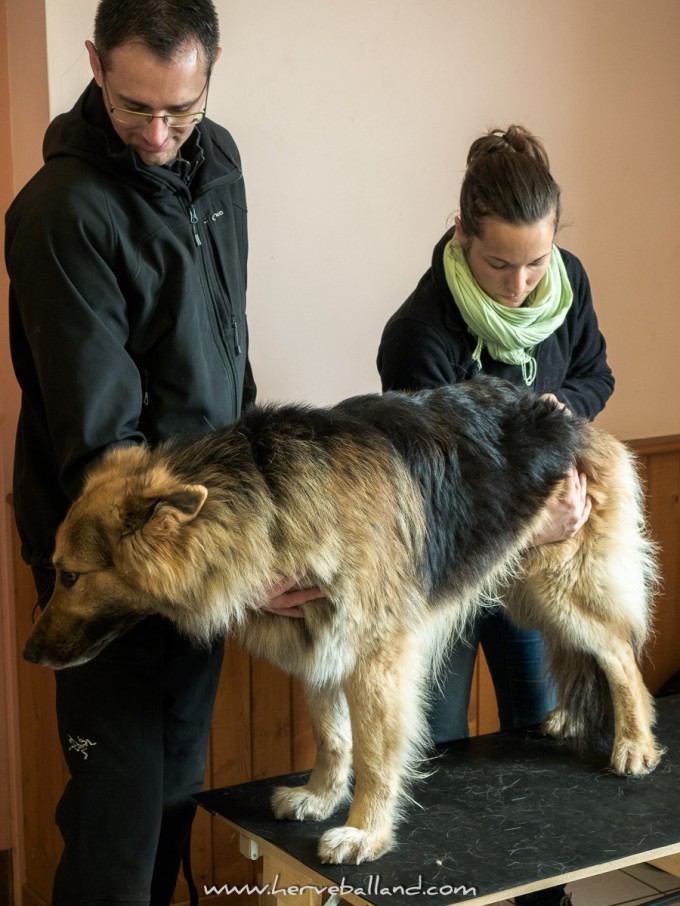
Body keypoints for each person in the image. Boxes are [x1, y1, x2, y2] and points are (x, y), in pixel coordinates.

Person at [6, 2, 318, 903]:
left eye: (179, 109)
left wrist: (256, 532)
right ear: (95, 62)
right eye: (135, 106)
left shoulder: (216, 160)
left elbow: (229, 363)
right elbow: (106, 454)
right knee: (120, 815)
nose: (156, 135)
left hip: (205, 544)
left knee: (178, 794)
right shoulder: (61, 215)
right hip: (113, 557)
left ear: (211, 69)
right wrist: (225, 570)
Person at [377, 125, 614, 906]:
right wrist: (530, 522)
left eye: (537, 262)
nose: (521, 287)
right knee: (438, 763)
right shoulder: (419, 334)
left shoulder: (567, 284)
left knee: (534, 749)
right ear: (460, 236)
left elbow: (593, 370)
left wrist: (562, 410)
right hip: (447, 569)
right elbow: (440, 491)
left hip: (530, 564)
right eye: (499, 265)